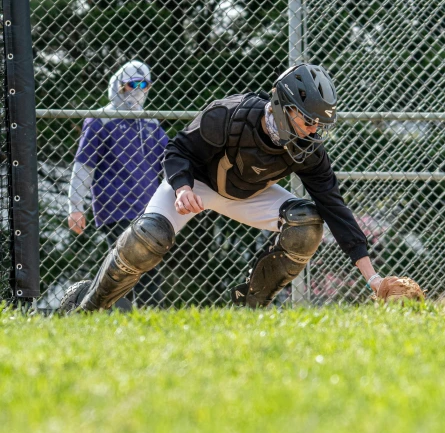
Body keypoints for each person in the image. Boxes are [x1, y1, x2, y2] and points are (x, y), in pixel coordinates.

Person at [60, 63, 401, 313]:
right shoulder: (229, 115)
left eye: (320, 124)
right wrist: (180, 188)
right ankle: (87, 308)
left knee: (307, 224)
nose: (314, 131)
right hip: (198, 183)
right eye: (309, 120)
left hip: (247, 195)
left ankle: (248, 308)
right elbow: (178, 151)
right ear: (284, 108)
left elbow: (334, 208)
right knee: (148, 236)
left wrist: (374, 279)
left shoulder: (308, 150)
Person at [67, 60, 168, 308]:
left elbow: (169, 163)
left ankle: (96, 306)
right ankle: (153, 312)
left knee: (132, 267)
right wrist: (75, 206)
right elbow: (84, 165)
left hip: (148, 210)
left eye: (144, 85)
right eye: (131, 85)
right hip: (116, 208)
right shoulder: (101, 121)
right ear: (118, 86)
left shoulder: (150, 125)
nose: (137, 90)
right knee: (140, 264)